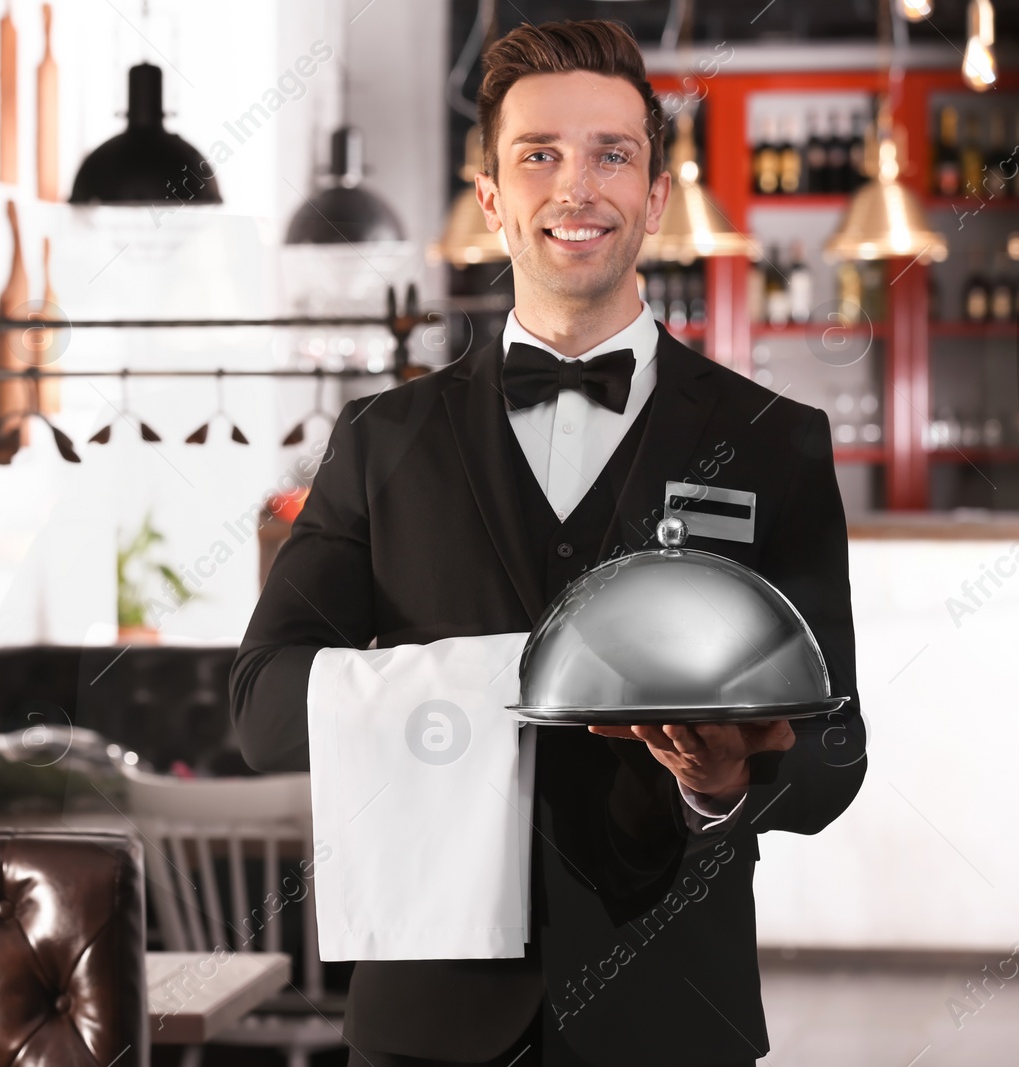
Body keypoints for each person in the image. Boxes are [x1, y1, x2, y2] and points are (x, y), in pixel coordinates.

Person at [230, 18, 866, 1067]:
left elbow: (835, 751)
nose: (577, 187)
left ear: (656, 196)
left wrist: (718, 784)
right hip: (427, 1024)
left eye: (612, 153)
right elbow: (260, 710)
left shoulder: (772, 442)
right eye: (539, 156)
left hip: (673, 1016)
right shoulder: (381, 440)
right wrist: (497, 677)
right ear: (490, 198)